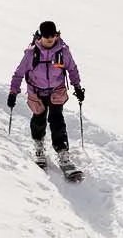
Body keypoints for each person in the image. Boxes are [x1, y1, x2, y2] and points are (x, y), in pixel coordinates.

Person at [7, 21, 84, 172]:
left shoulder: (63, 51)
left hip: (57, 90)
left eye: (53, 35)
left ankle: (62, 151)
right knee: (39, 120)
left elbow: (72, 69)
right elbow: (18, 74)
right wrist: (13, 92)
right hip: (37, 91)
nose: (50, 39)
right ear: (41, 36)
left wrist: (77, 87)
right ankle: (39, 145)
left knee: (57, 120)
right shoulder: (31, 53)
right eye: (47, 36)